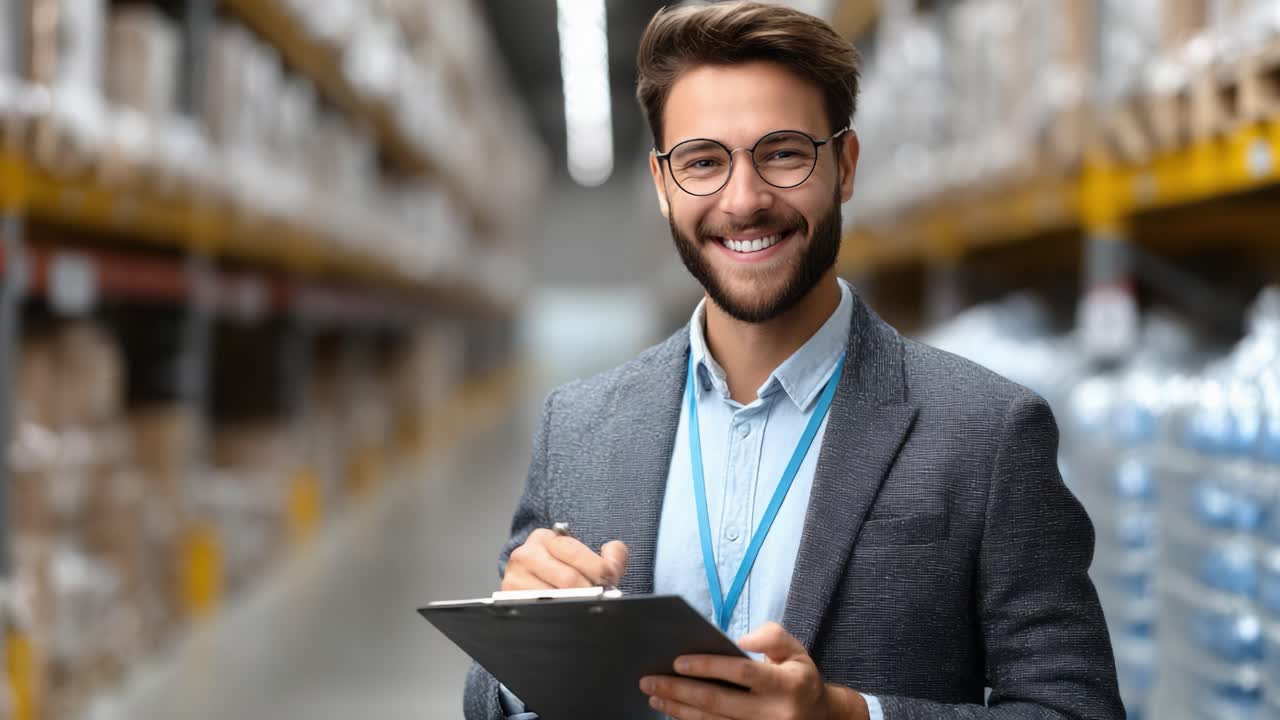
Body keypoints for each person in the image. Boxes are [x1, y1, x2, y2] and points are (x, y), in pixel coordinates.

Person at [464, 2, 1124, 718]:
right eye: (703, 162)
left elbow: (1072, 707)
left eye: (781, 153)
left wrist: (847, 716)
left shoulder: (987, 432)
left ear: (844, 166)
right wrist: (514, 658)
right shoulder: (579, 429)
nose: (744, 200)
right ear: (662, 185)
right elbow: (489, 704)